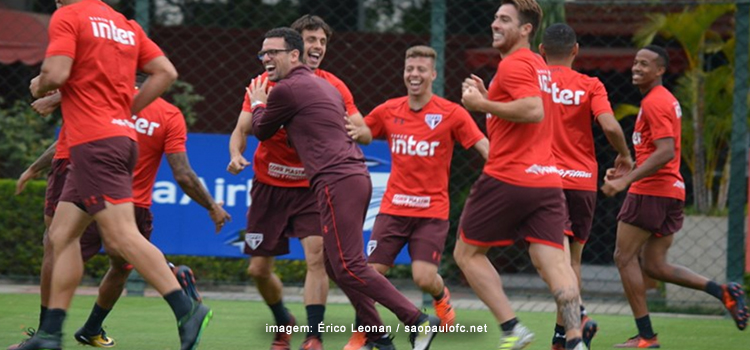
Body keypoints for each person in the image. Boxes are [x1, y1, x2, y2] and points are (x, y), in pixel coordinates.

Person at [18, 0, 212, 349]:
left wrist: (41, 85)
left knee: (121, 237)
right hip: (108, 140)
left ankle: (186, 309)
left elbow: (58, 73)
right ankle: (49, 333)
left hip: (95, 143)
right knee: (60, 236)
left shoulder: (69, 15)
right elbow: (165, 72)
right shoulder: (126, 25)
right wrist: (123, 112)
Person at [247, 27, 440, 350]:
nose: (266, 58)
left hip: (336, 180)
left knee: (349, 265)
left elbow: (261, 130)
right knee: (338, 266)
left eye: (273, 52)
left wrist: (257, 104)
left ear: (293, 55)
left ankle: (418, 320)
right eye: (262, 53)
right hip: (351, 177)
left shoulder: (283, 91)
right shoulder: (326, 86)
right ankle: (379, 338)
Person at [227, 15, 367, 350]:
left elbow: (365, 129)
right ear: (292, 48)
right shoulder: (263, 84)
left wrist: (355, 131)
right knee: (258, 270)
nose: (317, 47)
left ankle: (314, 336)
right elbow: (243, 129)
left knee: (317, 257)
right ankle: (282, 319)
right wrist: (235, 153)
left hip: (311, 187)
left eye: (322, 41)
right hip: (269, 185)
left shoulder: (332, 85)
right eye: (310, 40)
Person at [457, 1, 587, 350]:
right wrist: (490, 99)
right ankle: (575, 339)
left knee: (466, 254)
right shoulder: (538, 65)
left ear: (526, 29)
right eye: (495, 18)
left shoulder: (515, 63)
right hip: (546, 180)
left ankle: (513, 328)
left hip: (508, 176)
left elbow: (532, 110)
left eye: (504, 20)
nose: (494, 24)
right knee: (555, 264)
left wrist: (481, 105)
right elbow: (520, 112)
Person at [601, 45, 749, 348]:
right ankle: (722, 291)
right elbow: (655, 150)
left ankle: (646, 335)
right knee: (655, 266)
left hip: (651, 191)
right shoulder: (659, 100)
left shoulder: (656, 101)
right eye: (635, 62)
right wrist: (627, 166)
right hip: (670, 192)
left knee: (623, 256)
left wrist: (627, 180)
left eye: (645, 64)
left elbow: (666, 151)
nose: (637, 68)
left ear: (660, 70)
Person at [345, 45, 489, 349]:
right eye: (410, 69)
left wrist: (506, 175)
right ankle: (367, 333)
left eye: (421, 70)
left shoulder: (452, 113)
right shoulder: (388, 110)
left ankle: (441, 297)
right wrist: (346, 126)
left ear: (433, 75)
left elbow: (484, 147)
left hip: (432, 213)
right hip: (393, 209)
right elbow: (362, 131)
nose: (414, 74)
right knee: (368, 275)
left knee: (424, 278)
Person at [538, 23, 633, 350]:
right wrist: (624, 155)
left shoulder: (533, 80)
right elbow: (608, 124)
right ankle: (563, 335)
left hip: (543, 178)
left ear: (541, 51)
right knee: (572, 261)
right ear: (576, 50)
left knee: (551, 259)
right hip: (581, 180)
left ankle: (577, 316)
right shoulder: (590, 84)